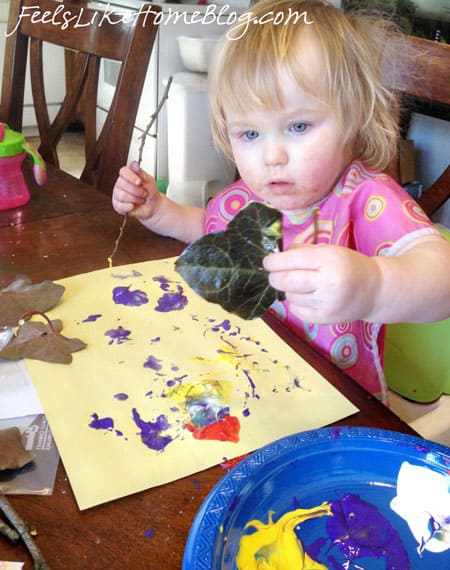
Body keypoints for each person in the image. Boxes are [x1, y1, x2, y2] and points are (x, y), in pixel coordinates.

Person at [112, 0, 450, 403]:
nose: (271, 157)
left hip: (342, 407)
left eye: (299, 126)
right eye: (249, 134)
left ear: (355, 115)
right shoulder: (251, 197)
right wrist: (159, 211)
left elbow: (440, 280)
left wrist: (374, 286)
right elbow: (208, 230)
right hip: (261, 384)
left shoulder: (364, 196)